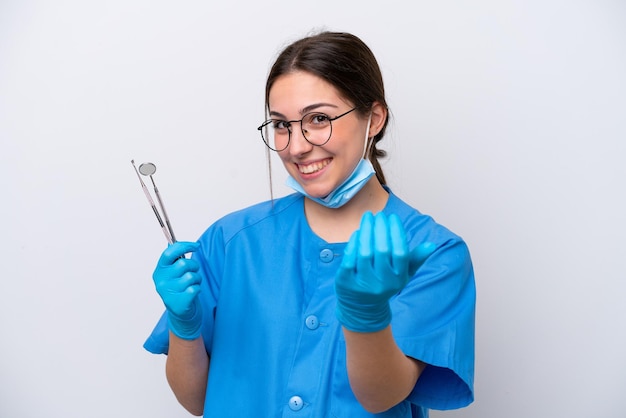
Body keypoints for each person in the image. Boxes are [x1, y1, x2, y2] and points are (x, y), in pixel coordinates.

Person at [144, 31, 475, 418]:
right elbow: (195, 401)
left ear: (375, 118)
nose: (296, 146)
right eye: (281, 125)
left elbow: (382, 396)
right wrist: (185, 325)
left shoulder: (433, 253)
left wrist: (366, 319)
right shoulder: (231, 241)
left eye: (318, 119)